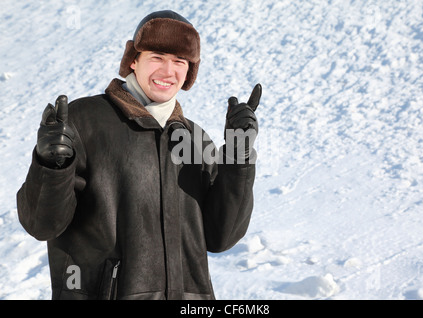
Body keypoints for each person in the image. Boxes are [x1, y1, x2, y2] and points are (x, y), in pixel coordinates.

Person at [16, 10, 261, 300]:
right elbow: (41, 224)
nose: (168, 71)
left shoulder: (196, 139)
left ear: (188, 73)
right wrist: (50, 165)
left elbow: (222, 237)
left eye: (179, 61)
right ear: (133, 60)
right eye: (157, 56)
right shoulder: (84, 122)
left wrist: (237, 155)